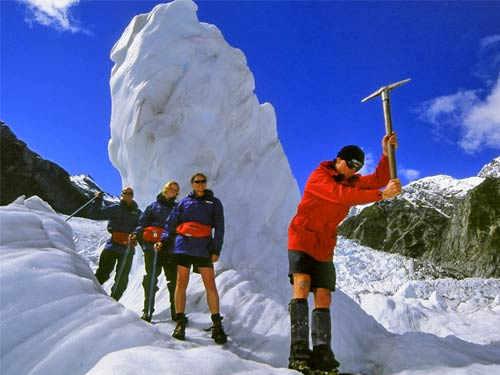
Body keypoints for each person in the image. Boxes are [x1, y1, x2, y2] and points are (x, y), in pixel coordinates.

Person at [287, 134, 402, 374]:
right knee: (302, 284)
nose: (354, 170)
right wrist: (382, 195)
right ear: (339, 160)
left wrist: (385, 153)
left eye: (358, 167)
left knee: (324, 295)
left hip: (325, 243)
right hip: (302, 236)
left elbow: (379, 178)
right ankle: (298, 353)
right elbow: (342, 196)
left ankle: (322, 354)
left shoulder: (352, 182)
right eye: (351, 165)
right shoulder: (320, 177)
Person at [156, 172, 227, 344]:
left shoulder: (214, 203)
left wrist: (216, 249)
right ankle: (180, 321)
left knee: (210, 283)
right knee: (181, 282)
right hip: (184, 246)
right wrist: (163, 240)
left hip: (204, 247)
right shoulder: (183, 203)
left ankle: (217, 324)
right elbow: (171, 224)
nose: (200, 184)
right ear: (192, 183)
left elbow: (219, 227)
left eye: (203, 182)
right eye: (197, 181)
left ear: (205, 184)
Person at [133, 181, 180, 322]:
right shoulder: (153, 207)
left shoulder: (178, 208)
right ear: (165, 189)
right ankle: (147, 310)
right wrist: (140, 236)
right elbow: (141, 224)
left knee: (173, 280)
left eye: (175, 190)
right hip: (152, 248)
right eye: (170, 188)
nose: (172, 191)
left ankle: (176, 311)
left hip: (170, 248)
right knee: (151, 278)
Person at [93, 187, 142, 301]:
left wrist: (136, 234)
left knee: (122, 278)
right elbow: (97, 214)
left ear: (133, 195)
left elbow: (141, 226)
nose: (128, 195)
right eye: (126, 193)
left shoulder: (138, 213)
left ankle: (113, 301)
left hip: (128, 247)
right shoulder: (115, 208)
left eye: (130, 193)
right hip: (113, 244)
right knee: (103, 272)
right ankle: (90, 295)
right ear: (122, 194)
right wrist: (98, 200)